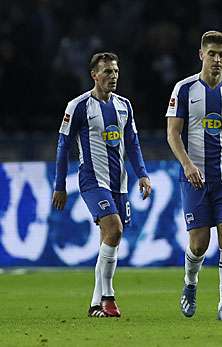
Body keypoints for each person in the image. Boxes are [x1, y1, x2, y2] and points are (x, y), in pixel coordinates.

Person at [166, 31, 222, 321]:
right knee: (199, 243)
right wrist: (187, 165)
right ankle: (190, 284)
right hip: (195, 178)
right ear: (201, 55)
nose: (217, 59)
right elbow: (172, 134)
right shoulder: (184, 90)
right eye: (212, 54)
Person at [52, 52, 152, 318]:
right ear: (94, 75)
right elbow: (63, 146)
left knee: (110, 240)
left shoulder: (124, 106)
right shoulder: (78, 106)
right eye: (107, 72)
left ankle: (95, 304)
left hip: (119, 183)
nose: (113, 76)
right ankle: (108, 298)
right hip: (92, 180)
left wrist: (142, 174)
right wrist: (59, 185)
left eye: (116, 71)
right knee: (114, 228)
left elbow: (132, 142)